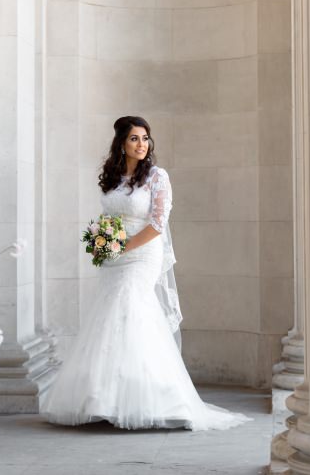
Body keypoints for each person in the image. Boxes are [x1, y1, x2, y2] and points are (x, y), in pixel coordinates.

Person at [40, 115, 249, 431]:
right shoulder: (112, 177)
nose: (142, 144)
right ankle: (102, 399)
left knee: (132, 311)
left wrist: (121, 247)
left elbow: (157, 224)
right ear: (122, 143)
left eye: (145, 138)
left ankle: (155, 399)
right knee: (109, 316)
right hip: (114, 256)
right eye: (135, 138)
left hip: (142, 254)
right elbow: (108, 216)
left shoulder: (157, 176)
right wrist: (102, 240)